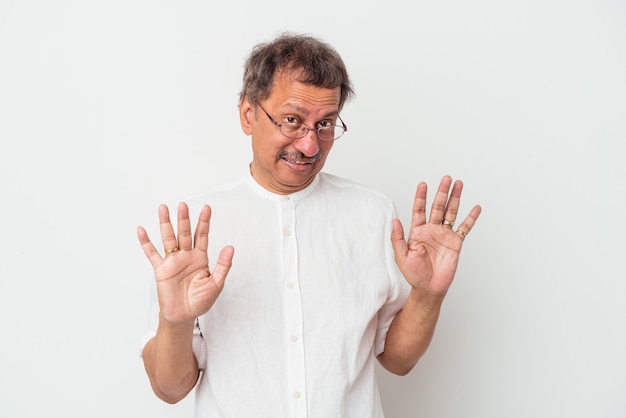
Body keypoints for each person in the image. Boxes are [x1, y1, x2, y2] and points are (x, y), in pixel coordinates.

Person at [137, 32, 481, 418]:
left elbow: (397, 361)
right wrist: (176, 320)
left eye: (326, 124)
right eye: (292, 120)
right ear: (248, 114)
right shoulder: (197, 229)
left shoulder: (374, 213)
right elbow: (170, 388)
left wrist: (428, 295)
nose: (310, 146)